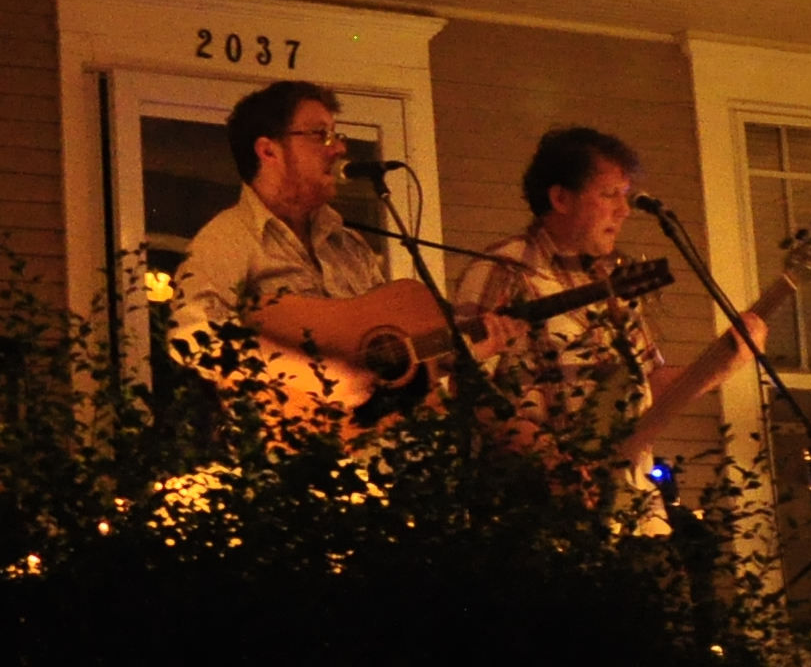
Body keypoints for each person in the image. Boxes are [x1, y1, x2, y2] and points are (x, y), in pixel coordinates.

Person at [459, 128, 767, 481]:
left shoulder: (616, 279)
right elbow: (467, 390)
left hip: (630, 495)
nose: (624, 210)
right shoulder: (504, 270)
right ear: (561, 198)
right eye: (609, 195)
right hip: (534, 495)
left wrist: (725, 363)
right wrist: (552, 461)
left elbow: (646, 386)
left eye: (625, 195)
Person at [166, 79, 398, 382]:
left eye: (336, 135)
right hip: (289, 412)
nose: (339, 148)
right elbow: (191, 337)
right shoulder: (226, 238)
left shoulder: (348, 244)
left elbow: (391, 338)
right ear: (268, 151)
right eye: (320, 135)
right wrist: (308, 372)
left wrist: (447, 349)